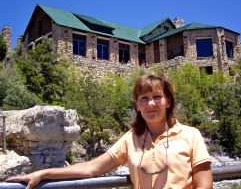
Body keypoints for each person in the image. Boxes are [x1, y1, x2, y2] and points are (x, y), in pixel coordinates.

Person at [6, 74, 213, 189]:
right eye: (144, 98)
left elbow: (205, 186)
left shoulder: (190, 135)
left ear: (168, 101)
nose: (151, 104)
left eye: (157, 97)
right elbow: (92, 169)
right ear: (137, 106)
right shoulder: (131, 139)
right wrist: (43, 173)